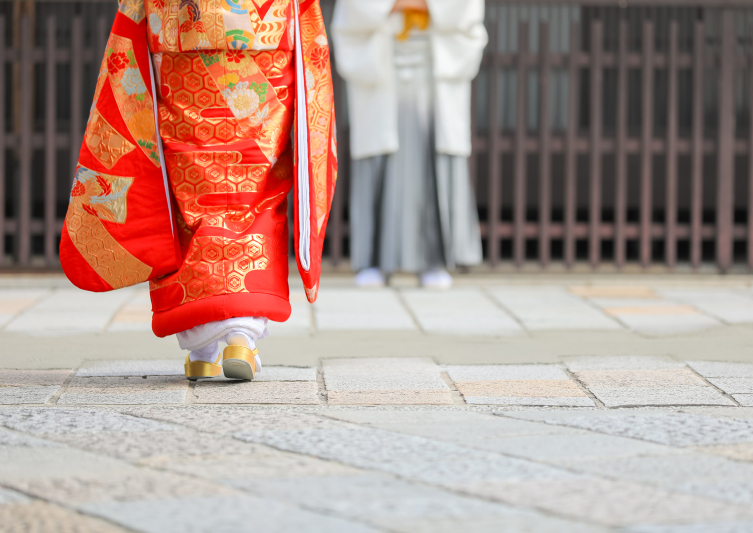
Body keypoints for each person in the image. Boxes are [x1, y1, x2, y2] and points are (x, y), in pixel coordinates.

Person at [59, 0, 337, 381]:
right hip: (264, 33)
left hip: (181, 35)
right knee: (254, 186)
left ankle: (202, 348)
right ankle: (240, 334)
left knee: (191, 181)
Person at [331, 0, 487, 289]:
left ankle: (434, 261)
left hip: (433, 64)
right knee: (380, 158)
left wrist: (406, 5)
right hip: (383, 61)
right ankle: (374, 262)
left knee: (432, 159)